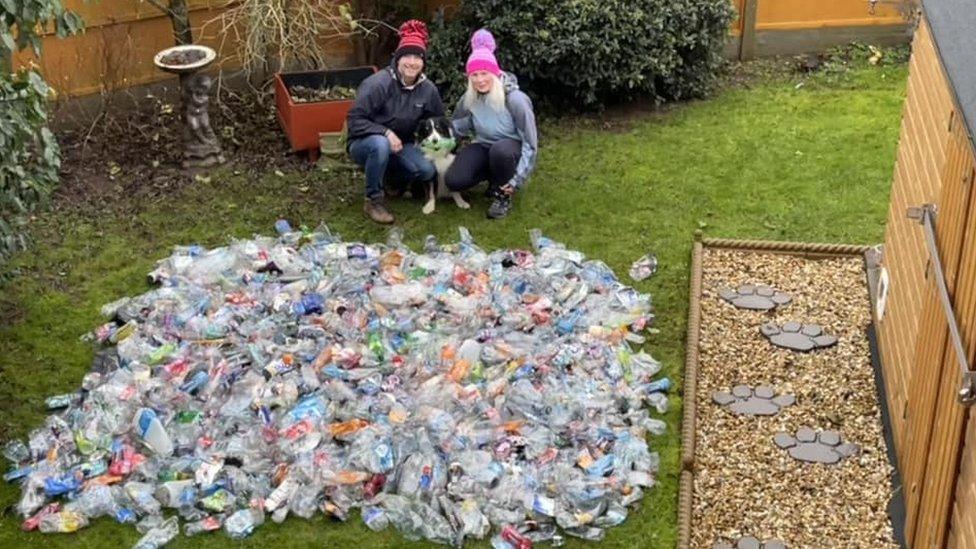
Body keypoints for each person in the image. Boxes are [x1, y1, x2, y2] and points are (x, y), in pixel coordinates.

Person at [347, 20, 444, 224]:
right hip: (365, 143)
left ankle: (394, 181)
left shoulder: (428, 90)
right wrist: (385, 132)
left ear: (423, 62)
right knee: (380, 145)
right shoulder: (378, 84)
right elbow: (355, 121)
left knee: (426, 169)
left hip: (403, 145)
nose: (412, 62)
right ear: (397, 59)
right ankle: (373, 200)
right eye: (407, 56)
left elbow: (436, 124)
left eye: (417, 57)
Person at [446, 29, 538, 219]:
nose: (480, 80)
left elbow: (530, 144)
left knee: (500, 151)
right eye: (474, 75)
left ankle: (503, 193)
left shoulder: (515, 100)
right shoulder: (469, 98)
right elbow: (457, 127)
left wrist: (517, 180)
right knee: (454, 180)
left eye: (484, 73)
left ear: (495, 73)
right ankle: (492, 177)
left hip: (510, 148)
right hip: (483, 145)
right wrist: (436, 144)